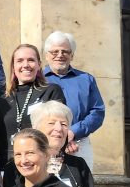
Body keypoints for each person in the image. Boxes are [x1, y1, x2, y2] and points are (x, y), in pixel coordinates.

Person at [0, 44, 66, 165]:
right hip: (10, 167)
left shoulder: (51, 91)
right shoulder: (3, 100)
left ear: (39, 65)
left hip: (41, 166)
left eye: (31, 60)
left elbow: (60, 131)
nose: (25, 65)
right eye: (20, 61)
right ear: (13, 66)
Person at [43, 31, 105, 170]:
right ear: (46, 55)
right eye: (55, 52)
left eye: (65, 51)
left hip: (78, 144)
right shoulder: (38, 80)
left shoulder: (86, 80)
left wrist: (72, 133)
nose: (60, 55)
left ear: (72, 55)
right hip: (45, 145)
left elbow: (97, 112)